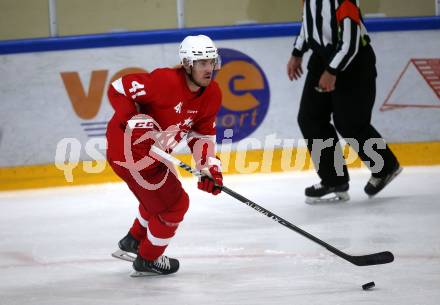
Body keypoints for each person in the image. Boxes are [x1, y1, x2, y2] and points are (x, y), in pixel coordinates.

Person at [106, 35, 223, 275]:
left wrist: (208, 167)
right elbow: (117, 88)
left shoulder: (212, 94)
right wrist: (133, 118)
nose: (209, 68)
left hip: (152, 155)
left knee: (160, 198)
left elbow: (201, 135)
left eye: (211, 62)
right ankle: (148, 259)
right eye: (202, 63)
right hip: (129, 151)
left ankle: (134, 241)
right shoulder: (164, 81)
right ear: (188, 64)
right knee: (175, 204)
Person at [286, 0, 402, 203]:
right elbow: (309, 23)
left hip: (354, 63)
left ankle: (385, 167)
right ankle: (334, 180)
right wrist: (297, 52)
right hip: (322, 59)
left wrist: (332, 71)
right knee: (310, 118)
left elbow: (351, 42)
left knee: (349, 122)